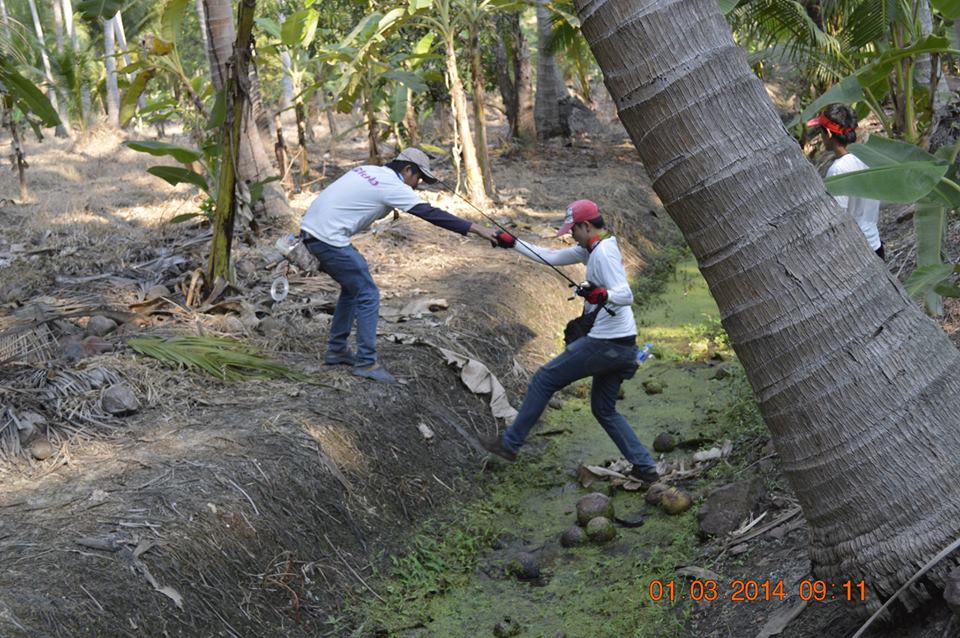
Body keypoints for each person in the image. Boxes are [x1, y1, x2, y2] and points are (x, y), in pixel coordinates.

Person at [482, 199, 659, 483]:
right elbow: (549, 257)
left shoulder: (603, 255)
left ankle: (510, 444)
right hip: (623, 345)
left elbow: (626, 295)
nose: (569, 235)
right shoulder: (591, 248)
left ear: (586, 226)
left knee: (544, 379)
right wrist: (512, 243)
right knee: (603, 409)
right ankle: (646, 467)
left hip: (607, 343)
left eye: (572, 229)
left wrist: (603, 295)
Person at [300, 148, 497, 384]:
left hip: (312, 231)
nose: (417, 186)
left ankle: (337, 350)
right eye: (419, 179)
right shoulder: (393, 186)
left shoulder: (368, 170)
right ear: (407, 170)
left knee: (353, 288)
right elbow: (432, 214)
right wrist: (479, 230)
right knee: (368, 293)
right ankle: (366, 363)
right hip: (328, 238)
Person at [807, 103, 885, 259]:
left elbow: (837, 218)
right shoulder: (868, 157)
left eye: (821, 132)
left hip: (857, 251)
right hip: (876, 244)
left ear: (828, 133)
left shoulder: (839, 170)